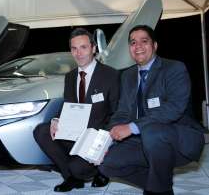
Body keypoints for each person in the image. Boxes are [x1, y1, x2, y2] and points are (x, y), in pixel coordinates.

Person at [99, 25, 205, 195]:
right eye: (133, 42)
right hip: (143, 140)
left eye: (144, 41)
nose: (138, 46)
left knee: (152, 132)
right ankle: (159, 185)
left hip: (178, 139)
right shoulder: (128, 76)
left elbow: (173, 109)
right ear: (129, 49)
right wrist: (105, 138)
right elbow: (123, 112)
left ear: (155, 45)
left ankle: (158, 189)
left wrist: (132, 127)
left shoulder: (174, 69)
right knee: (106, 164)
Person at [33, 28, 120, 192]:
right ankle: (72, 178)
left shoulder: (111, 75)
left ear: (93, 48)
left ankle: (100, 170)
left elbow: (117, 112)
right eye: (74, 48)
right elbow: (68, 105)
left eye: (83, 47)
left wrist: (106, 141)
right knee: (41, 131)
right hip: (73, 134)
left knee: (77, 167)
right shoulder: (70, 76)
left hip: (95, 138)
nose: (78, 53)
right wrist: (56, 120)